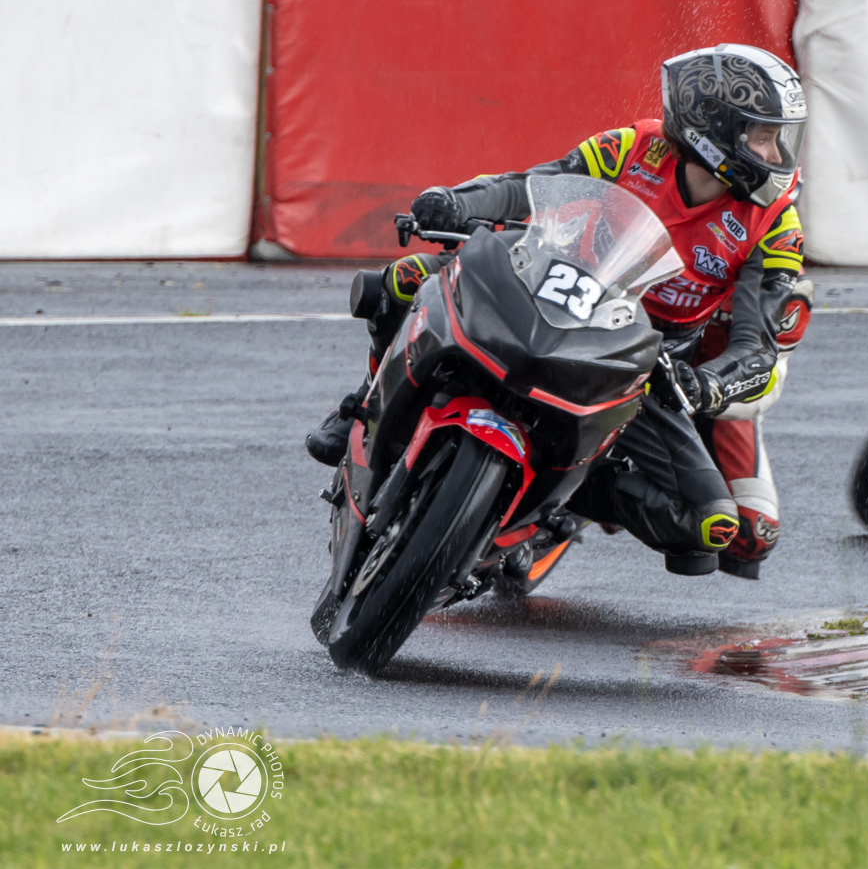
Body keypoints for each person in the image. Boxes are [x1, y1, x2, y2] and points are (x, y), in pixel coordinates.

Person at [305, 44, 813, 579]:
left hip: (642, 363)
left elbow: (757, 346)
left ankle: (566, 504)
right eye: (763, 137)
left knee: (711, 524)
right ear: (716, 128)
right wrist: (459, 201)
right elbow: (531, 187)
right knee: (403, 279)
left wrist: (706, 385)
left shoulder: (776, 225)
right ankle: (365, 406)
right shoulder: (630, 147)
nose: (777, 153)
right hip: (553, 286)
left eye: (780, 138)